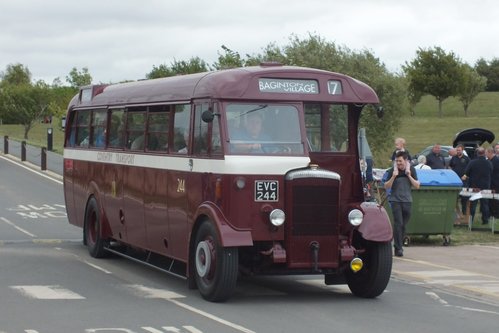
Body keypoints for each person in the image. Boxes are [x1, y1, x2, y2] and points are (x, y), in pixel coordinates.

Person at [384, 150, 420, 257]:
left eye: (400, 161)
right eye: (396, 161)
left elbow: (417, 185)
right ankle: (398, 249)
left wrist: (409, 176)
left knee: (403, 225)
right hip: (395, 201)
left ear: (406, 160)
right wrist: (393, 176)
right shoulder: (392, 171)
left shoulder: (411, 170)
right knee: (398, 223)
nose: (398, 163)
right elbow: (386, 186)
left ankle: (399, 241)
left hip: (407, 201)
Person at [462, 147, 492, 225]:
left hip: (474, 186)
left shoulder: (472, 162)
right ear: (484, 153)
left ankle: (471, 221)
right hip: (485, 186)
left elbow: (466, 172)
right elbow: (491, 171)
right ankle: (485, 221)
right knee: (485, 204)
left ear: (477, 153)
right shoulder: (489, 162)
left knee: (473, 204)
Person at [449, 144, 471, 217]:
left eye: (459, 150)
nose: (458, 151)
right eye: (457, 150)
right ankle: (455, 214)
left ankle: (464, 213)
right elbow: (450, 166)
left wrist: (466, 175)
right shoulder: (453, 158)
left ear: (462, 150)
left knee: (464, 198)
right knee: (455, 198)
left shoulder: (467, 158)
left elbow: (470, 169)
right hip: (455, 181)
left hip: (464, 181)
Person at [486, 147, 499, 218]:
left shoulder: (496, 161)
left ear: (490, 153)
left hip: (496, 183)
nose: (485, 154)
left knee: (495, 199)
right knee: (490, 199)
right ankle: (491, 213)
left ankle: (496, 214)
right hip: (490, 183)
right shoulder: (489, 160)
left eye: (486, 153)